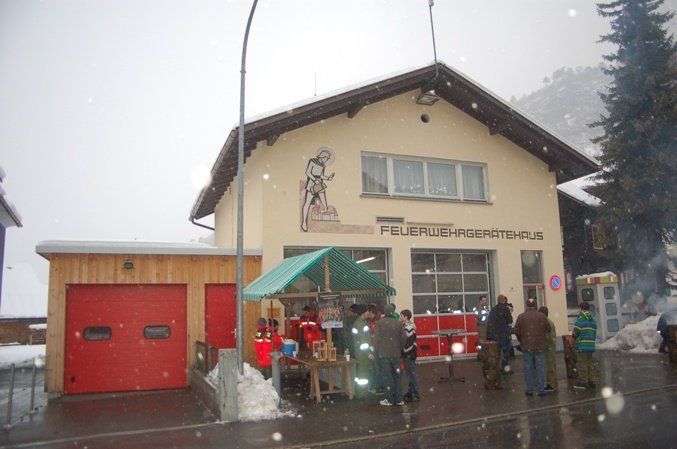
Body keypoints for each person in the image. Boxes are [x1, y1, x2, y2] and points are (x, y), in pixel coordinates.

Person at [373, 303, 407, 406]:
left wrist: (377, 350)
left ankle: (389, 399)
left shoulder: (380, 323)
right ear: (393, 312)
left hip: (384, 354)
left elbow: (376, 339)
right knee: (398, 377)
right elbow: (404, 338)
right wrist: (399, 348)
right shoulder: (399, 323)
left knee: (387, 377)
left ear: (385, 312)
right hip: (396, 354)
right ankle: (399, 399)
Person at [515, 299, 550, 396]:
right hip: (540, 345)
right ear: (536, 305)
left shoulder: (521, 317)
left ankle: (529, 389)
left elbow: (516, 331)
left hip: (527, 345)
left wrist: (521, 340)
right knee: (540, 367)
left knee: (528, 367)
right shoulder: (542, 316)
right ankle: (541, 389)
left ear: (526, 305)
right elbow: (548, 329)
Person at [300, 147, 335, 232]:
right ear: (323, 156)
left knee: (323, 198)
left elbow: (321, 175)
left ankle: (326, 213)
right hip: (312, 183)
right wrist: (314, 179)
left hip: (319, 183)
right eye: (326, 158)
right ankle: (304, 223)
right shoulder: (312, 161)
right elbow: (308, 172)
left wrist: (328, 178)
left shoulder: (323, 165)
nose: (326, 160)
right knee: (307, 202)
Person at [572, 302, 597, 389]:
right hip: (591, 345)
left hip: (582, 345)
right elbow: (594, 332)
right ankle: (591, 381)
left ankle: (583, 382)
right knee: (590, 363)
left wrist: (574, 336)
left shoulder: (581, 320)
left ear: (581, 309)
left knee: (582, 364)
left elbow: (575, 333)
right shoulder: (593, 320)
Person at [487, 294, 513, 372]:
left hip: (495, 335)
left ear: (497, 300)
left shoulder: (493, 310)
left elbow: (489, 322)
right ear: (504, 300)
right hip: (504, 334)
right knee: (505, 353)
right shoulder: (506, 309)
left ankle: (495, 368)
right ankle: (505, 368)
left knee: (496, 353)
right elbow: (510, 321)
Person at [352, 305, 374, 397]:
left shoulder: (360, 322)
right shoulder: (360, 324)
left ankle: (360, 391)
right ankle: (362, 392)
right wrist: (368, 353)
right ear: (363, 312)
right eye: (367, 311)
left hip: (360, 352)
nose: (369, 313)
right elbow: (362, 341)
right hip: (362, 353)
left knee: (361, 372)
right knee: (363, 373)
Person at [400, 309, 419, 402]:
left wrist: (405, 352)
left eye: (401, 316)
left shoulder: (408, 327)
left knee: (411, 374)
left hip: (409, 354)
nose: (400, 317)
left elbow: (409, 342)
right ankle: (411, 392)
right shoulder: (408, 326)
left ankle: (415, 393)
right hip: (410, 353)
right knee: (411, 373)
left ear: (406, 317)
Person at [539, 306, 558, 391]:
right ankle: (554, 383)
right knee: (552, 364)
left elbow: (547, 336)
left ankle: (551, 384)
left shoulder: (546, 322)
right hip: (551, 345)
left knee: (550, 365)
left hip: (548, 346)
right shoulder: (549, 321)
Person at [474, 296, 490, 360]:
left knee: (484, 341)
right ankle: (480, 355)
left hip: (485, 326)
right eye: (483, 300)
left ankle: (481, 354)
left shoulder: (485, 308)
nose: (485, 301)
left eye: (485, 300)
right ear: (480, 301)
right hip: (481, 326)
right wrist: (486, 319)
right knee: (481, 341)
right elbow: (480, 318)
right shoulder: (478, 308)